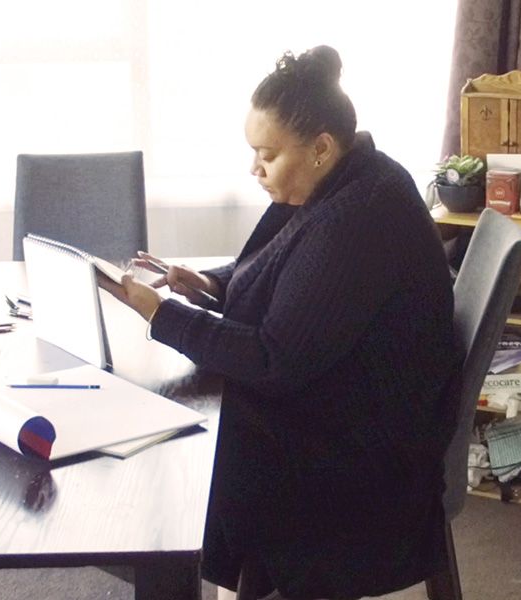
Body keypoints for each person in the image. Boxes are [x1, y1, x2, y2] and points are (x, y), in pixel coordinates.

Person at [102, 45, 459, 600]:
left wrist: (161, 315)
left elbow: (275, 360)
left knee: (182, 446)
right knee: (185, 416)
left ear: (320, 148)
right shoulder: (345, 178)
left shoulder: (358, 217)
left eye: (267, 154)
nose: (254, 168)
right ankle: (180, 560)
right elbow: (275, 270)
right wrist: (207, 284)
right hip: (347, 399)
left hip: (366, 458)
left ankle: (165, 561)